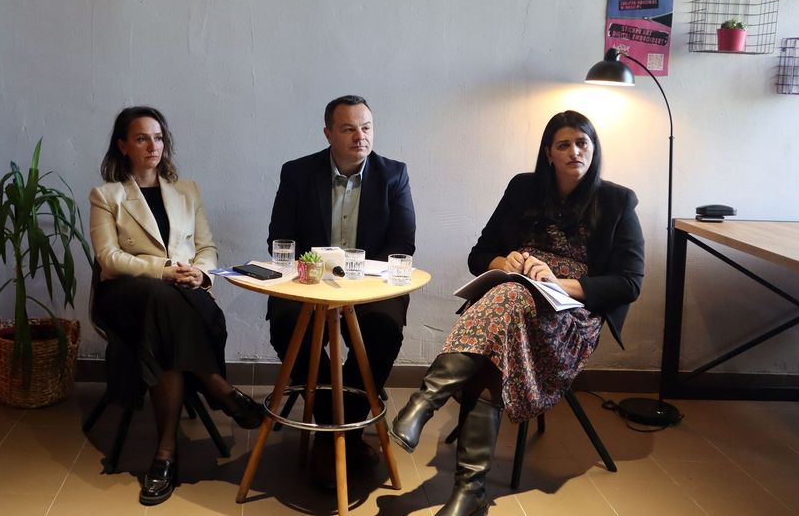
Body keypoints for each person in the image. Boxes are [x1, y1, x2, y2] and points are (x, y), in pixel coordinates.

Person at [390, 110, 644, 516]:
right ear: (548, 153)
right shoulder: (523, 188)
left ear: (594, 149)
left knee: (505, 304)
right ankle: (469, 491)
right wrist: (502, 262)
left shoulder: (617, 201)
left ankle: (426, 401)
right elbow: (479, 255)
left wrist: (557, 283)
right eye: (564, 145)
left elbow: (629, 283)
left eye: (582, 143)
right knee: (504, 315)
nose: (575, 152)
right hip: (511, 308)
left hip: (570, 315)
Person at [89, 106, 263, 506]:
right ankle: (218, 387)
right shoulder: (107, 195)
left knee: (163, 324)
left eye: (158, 138)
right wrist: (163, 270)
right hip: (126, 296)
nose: (153, 146)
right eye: (142, 139)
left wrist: (201, 274)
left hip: (181, 296)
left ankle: (165, 454)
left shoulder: (187, 191)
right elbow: (109, 259)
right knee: (158, 297)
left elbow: (207, 248)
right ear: (123, 146)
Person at [267, 94, 416, 488]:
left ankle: (337, 432)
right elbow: (280, 238)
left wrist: (355, 285)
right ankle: (338, 428)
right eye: (348, 128)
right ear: (328, 133)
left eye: (366, 128)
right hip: (309, 284)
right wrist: (317, 277)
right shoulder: (298, 173)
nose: (359, 136)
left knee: (384, 330)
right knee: (286, 325)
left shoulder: (394, 174)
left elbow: (402, 243)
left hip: (370, 290)